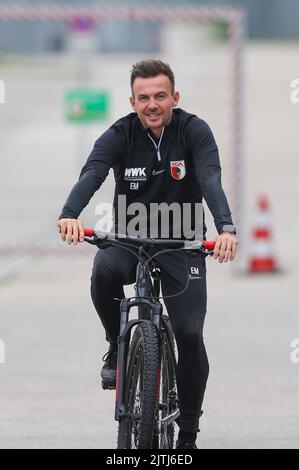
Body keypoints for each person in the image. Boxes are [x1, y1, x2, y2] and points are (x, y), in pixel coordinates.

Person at [58, 59, 237, 449]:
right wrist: (69, 214)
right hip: (129, 238)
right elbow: (92, 174)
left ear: (175, 97)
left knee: (189, 334)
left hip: (183, 241)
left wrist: (225, 227)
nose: (152, 104)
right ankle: (114, 347)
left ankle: (188, 432)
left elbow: (209, 177)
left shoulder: (194, 131)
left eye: (160, 96)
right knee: (103, 270)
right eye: (144, 98)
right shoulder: (118, 134)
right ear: (132, 101)